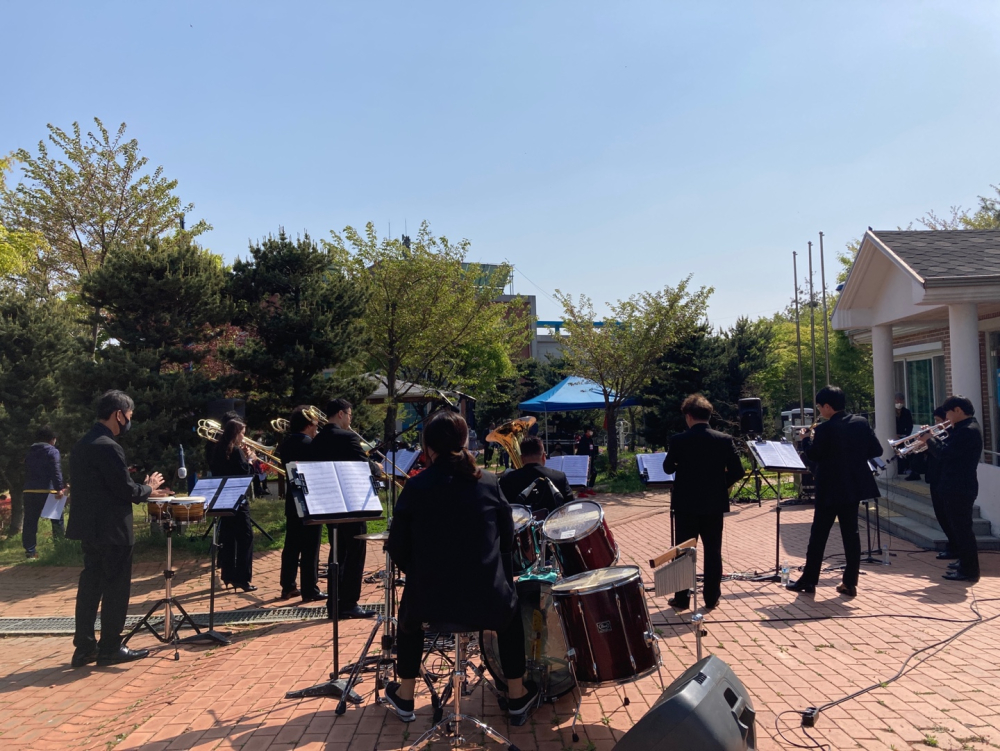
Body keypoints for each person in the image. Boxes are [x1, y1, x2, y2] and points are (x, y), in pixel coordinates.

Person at [384, 410, 538, 722]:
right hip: (487, 599)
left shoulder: (414, 489)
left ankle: (406, 696)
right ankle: (518, 696)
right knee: (510, 610)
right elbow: (507, 540)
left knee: (408, 617)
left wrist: (420, 573)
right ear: (464, 441)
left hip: (429, 600)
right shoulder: (490, 484)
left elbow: (397, 547)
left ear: (428, 447)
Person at [67, 390, 166, 667]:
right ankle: (111, 646)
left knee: (89, 588)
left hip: (89, 529)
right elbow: (125, 490)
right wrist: (149, 487)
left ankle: (84, 647)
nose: (128, 422)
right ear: (118, 414)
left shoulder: (82, 443)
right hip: (113, 530)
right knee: (115, 589)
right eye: (129, 416)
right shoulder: (109, 445)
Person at [787, 386, 883, 598]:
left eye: (820, 407)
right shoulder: (861, 423)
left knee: (819, 535)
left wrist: (805, 440)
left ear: (828, 406)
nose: (820, 411)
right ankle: (850, 583)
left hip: (829, 489)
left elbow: (814, 455)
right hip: (853, 487)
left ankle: (809, 580)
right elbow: (876, 450)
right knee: (851, 535)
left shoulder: (825, 429)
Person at [662, 394, 745, 611]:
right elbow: (738, 470)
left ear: (688, 416)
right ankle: (711, 597)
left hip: (686, 505)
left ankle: (682, 598)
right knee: (713, 550)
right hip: (713, 504)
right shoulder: (724, 439)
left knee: (683, 551)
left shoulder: (679, 440)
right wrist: (720, 485)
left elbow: (667, 468)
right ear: (708, 416)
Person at [310, 398, 376, 620]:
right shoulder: (347, 437)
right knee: (355, 552)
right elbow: (363, 466)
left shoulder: (317, 439)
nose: (350, 418)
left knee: (336, 553)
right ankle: (349, 602)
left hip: (330, 505)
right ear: (340, 414)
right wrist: (377, 467)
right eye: (349, 414)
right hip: (351, 503)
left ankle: (334, 603)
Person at [916, 395, 983, 583]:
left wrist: (930, 439)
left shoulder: (968, 430)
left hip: (959, 486)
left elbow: (945, 454)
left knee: (963, 530)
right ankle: (964, 563)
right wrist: (932, 437)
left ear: (958, 411)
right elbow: (946, 448)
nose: (946, 417)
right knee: (959, 529)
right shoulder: (961, 428)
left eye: (948, 412)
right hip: (954, 485)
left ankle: (969, 571)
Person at [277, 406, 324, 601]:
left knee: (291, 545)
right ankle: (309, 589)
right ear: (308, 424)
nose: (316, 428)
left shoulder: (286, 443)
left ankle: (288, 586)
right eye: (315, 424)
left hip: (292, 499)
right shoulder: (310, 444)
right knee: (310, 547)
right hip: (309, 498)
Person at [208, 419, 256, 592]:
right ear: (236, 433)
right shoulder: (236, 451)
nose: (244, 436)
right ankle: (243, 579)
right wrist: (250, 459)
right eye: (242, 432)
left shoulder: (219, 449)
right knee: (246, 537)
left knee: (228, 538)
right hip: (239, 500)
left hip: (224, 500)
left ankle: (228, 575)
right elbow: (246, 474)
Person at [22, 426, 69, 559]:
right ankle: (60, 549)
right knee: (56, 520)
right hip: (49, 490)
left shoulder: (29, 452)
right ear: (51, 439)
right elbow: (56, 470)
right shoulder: (52, 451)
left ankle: (30, 552)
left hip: (30, 490)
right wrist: (60, 487)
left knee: (30, 521)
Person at [498, 436, 573, 515]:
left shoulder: (507, 479)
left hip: (519, 526)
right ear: (544, 457)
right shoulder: (559, 477)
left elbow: (501, 511)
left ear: (522, 459)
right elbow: (571, 508)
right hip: (554, 526)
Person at [924, 407, 954, 561]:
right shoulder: (939, 436)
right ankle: (952, 544)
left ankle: (955, 547)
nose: (935, 423)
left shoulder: (951, 436)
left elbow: (943, 454)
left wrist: (930, 439)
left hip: (944, 480)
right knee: (941, 514)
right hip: (935, 478)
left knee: (947, 515)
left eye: (938, 420)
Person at [894, 393, 918, 480]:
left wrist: (905, 435)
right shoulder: (890, 412)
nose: (899, 402)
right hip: (893, 436)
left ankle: (905, 468)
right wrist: (894, 434)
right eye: (897, 400)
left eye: (900, 400)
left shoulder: (906, 412)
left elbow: (910, 425)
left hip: (903, 436)